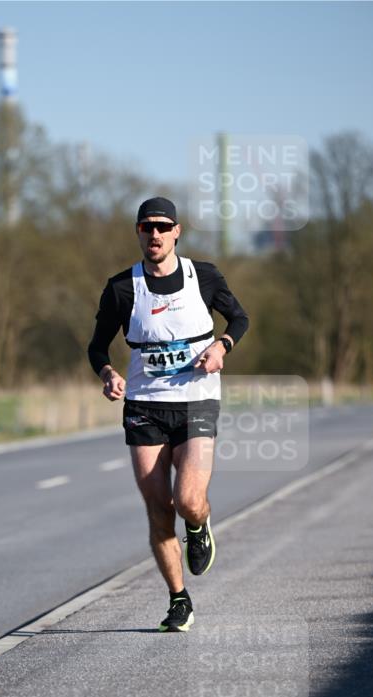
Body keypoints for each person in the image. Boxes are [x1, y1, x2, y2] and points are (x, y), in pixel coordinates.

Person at [88, 197, 249, 632]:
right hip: (145, 406)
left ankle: (198, 526)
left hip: (196, 399)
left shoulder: (205, 276)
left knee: (188, 501)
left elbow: (238, 318)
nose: (154, 234)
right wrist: (107, 372)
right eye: (146, 227)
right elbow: (97, 346)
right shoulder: (123, 288)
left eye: (162, 227)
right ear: (138, 233)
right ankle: (179, 599)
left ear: (177, 231)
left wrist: (222, 346)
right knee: (159, 507)